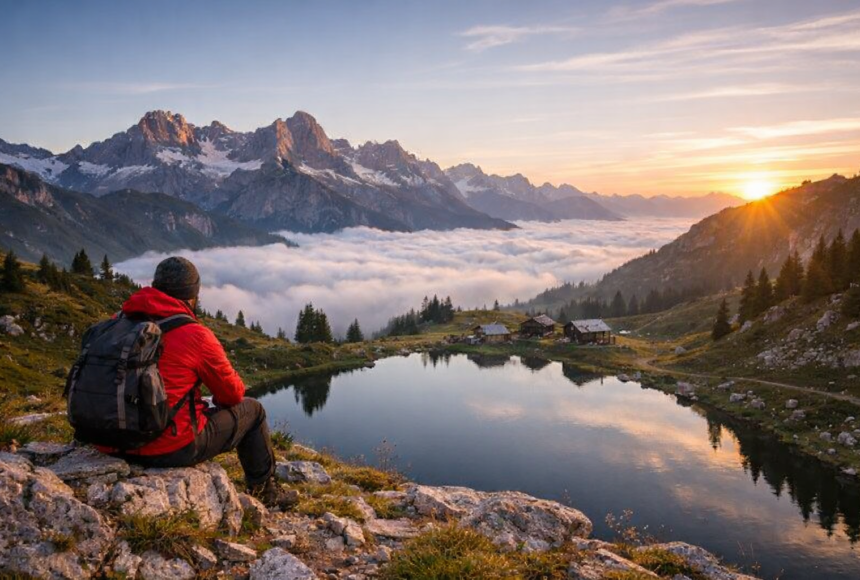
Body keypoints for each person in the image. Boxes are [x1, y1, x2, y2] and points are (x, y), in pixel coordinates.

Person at [100, 256, 296, 509]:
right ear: (193, 296)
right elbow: (232, 395)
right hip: (168, 447)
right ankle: (266, 493)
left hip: (107, 438)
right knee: (253, 410)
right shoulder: (194, 334)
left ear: (155, 287)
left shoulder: (116, 321)